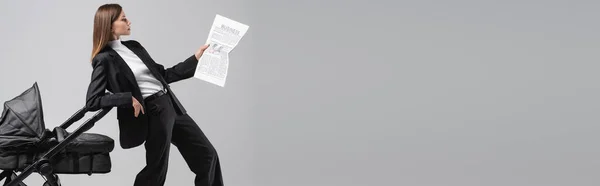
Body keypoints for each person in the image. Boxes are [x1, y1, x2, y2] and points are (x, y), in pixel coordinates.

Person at [84, 3, 223, 186]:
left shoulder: (135, 47)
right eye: (123, 18)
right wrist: (127, 99)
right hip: (154, 112)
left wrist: (196, 58)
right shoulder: (103, 59)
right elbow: (93, 100)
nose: (129, 21)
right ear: (110, 25)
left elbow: (164, 75)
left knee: (207, 156)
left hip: (171, 104)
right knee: (156, 170)